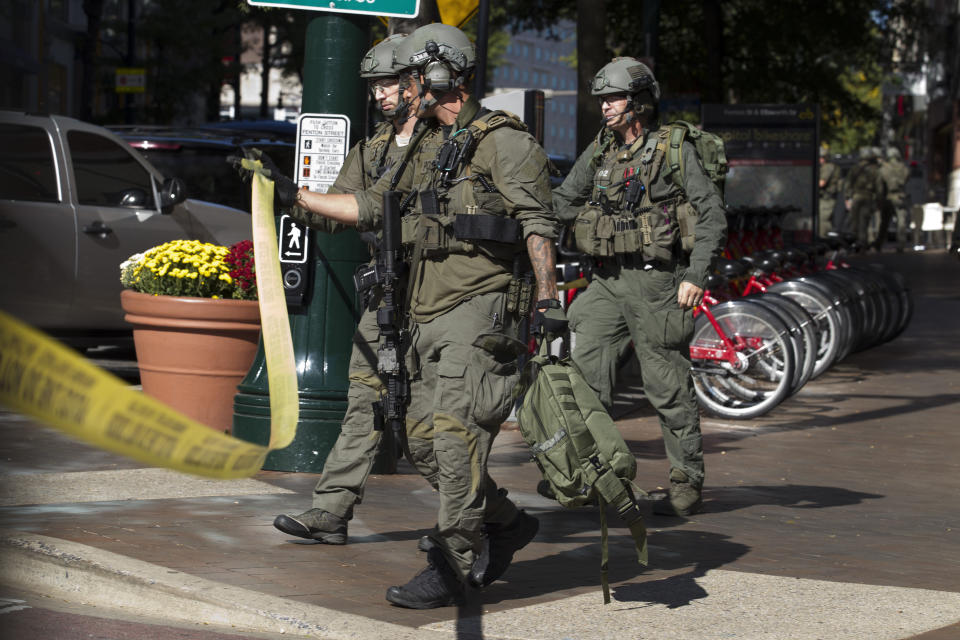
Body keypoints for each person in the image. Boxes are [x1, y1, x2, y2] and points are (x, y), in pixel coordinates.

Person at [259, 24, 561, 609]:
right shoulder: (426, 145)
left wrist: (548, 302)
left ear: (440, 76)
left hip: (479, 311)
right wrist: (296, 198)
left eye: (410, 78)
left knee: (453, 437)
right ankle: (505, 524)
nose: (400, 88)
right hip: (423, 308)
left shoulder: (504, 142)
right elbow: (377, 206)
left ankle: (452, 562)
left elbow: (538, 224)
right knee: (420, 440)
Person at [552, 57, 727, 518]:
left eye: (613, 98)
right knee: (583, 378)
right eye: (603, 100)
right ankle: (589, 475)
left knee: (667, 386)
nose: (605, 107)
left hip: (659, 284)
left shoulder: (673, 150)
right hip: (607, 281)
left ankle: (685, 480)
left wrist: (696, 276)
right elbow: (564, 201)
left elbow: (711, 217)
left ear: (639, 103)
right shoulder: (601, 151)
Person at [268, 34, 422, 545]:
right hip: (387, 294)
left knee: (434, 421)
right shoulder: (372, 147)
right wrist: (286, 198)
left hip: (442, 294)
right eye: (374, 85)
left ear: (416, 82)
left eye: (389, 83)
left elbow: (373, 206)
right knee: (365, 399)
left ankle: (489, 519)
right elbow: (335, 211)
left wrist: (308, 199)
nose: (379, 94)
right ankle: (330, 513)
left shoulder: (442, 143)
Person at [844, 146, 885, 250]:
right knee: (864, 223)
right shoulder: (875, 169)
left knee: (854, 223)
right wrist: (879, 201)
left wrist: (847, 198)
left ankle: (853, 244)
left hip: (856, 197)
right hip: (868, 197)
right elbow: (879, 188)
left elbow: (848, 183)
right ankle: (862, 245)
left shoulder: (855, 168)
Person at [877, 146, 909, 252]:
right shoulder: (903, 167)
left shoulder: (884, 168)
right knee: (901, 221)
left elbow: (880, 186)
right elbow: (906, 178)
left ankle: (879, 244)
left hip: (888, 197)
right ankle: (901, 244)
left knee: (884, 222)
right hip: (900, 197)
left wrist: (879, 199)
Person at [818, 147, 841, 237]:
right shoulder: (826, 166)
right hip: (825, 198)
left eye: (821, 157)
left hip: (826, 198)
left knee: (822, 220)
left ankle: (822, 238)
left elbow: (821, 183)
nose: (820, 160)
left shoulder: (828, 167)